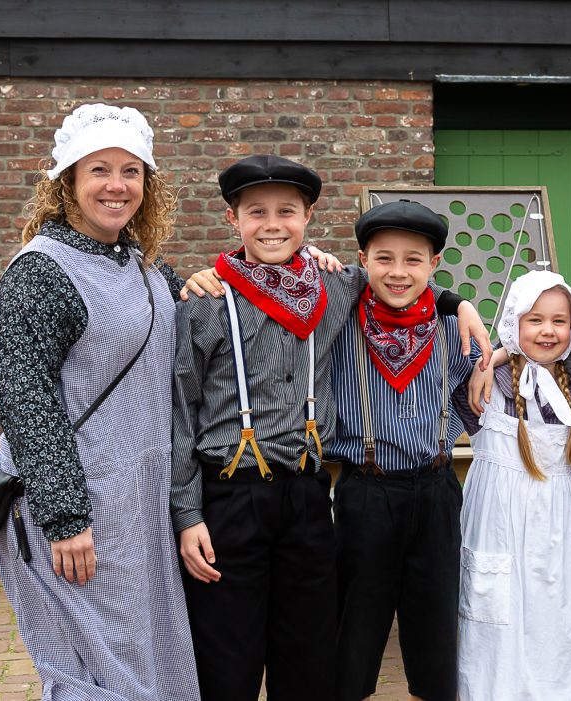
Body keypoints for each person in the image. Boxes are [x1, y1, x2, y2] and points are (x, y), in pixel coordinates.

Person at [171, 156, 490, 701]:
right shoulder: (205, 301)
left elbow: (401, 283)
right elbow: (179, 411)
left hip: (308, 493)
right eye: (257, 213)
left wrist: (460, 305)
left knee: (310, 658)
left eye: (286, 212)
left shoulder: (332, 286)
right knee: (228, 658)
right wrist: (186, 513)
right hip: (230, 495)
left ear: (308, 216)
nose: (273, 224)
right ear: (233, 220)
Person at [0, 103, 200, 700]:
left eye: (131, 171)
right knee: (96, 666)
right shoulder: (41, 271)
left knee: (146, 656)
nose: (117, 185)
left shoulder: (144, 266)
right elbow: (25, 395)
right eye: (100, 170)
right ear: (68, 183)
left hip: (138, 502)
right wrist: (64, 519)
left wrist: (449, 301)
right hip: (76, 505)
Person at [330, 200, 477, 701]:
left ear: (434, 266)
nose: (398, 272)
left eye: (414, 259)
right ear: (362, 261)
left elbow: (483, 398)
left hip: (436, 491)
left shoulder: (457, 332)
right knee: (355, 629)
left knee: (436, 628)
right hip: (365, 492)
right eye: (384, 258)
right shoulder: (338, 322)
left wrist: (459, 306)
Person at [454, 270, 571, 701]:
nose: (547, 330)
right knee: (495, 637)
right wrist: (493, 356)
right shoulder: (481, 382)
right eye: (534, 319)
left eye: (559, 320)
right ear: (513, 323)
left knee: (558, 629)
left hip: (561, 533)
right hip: (498, 527)